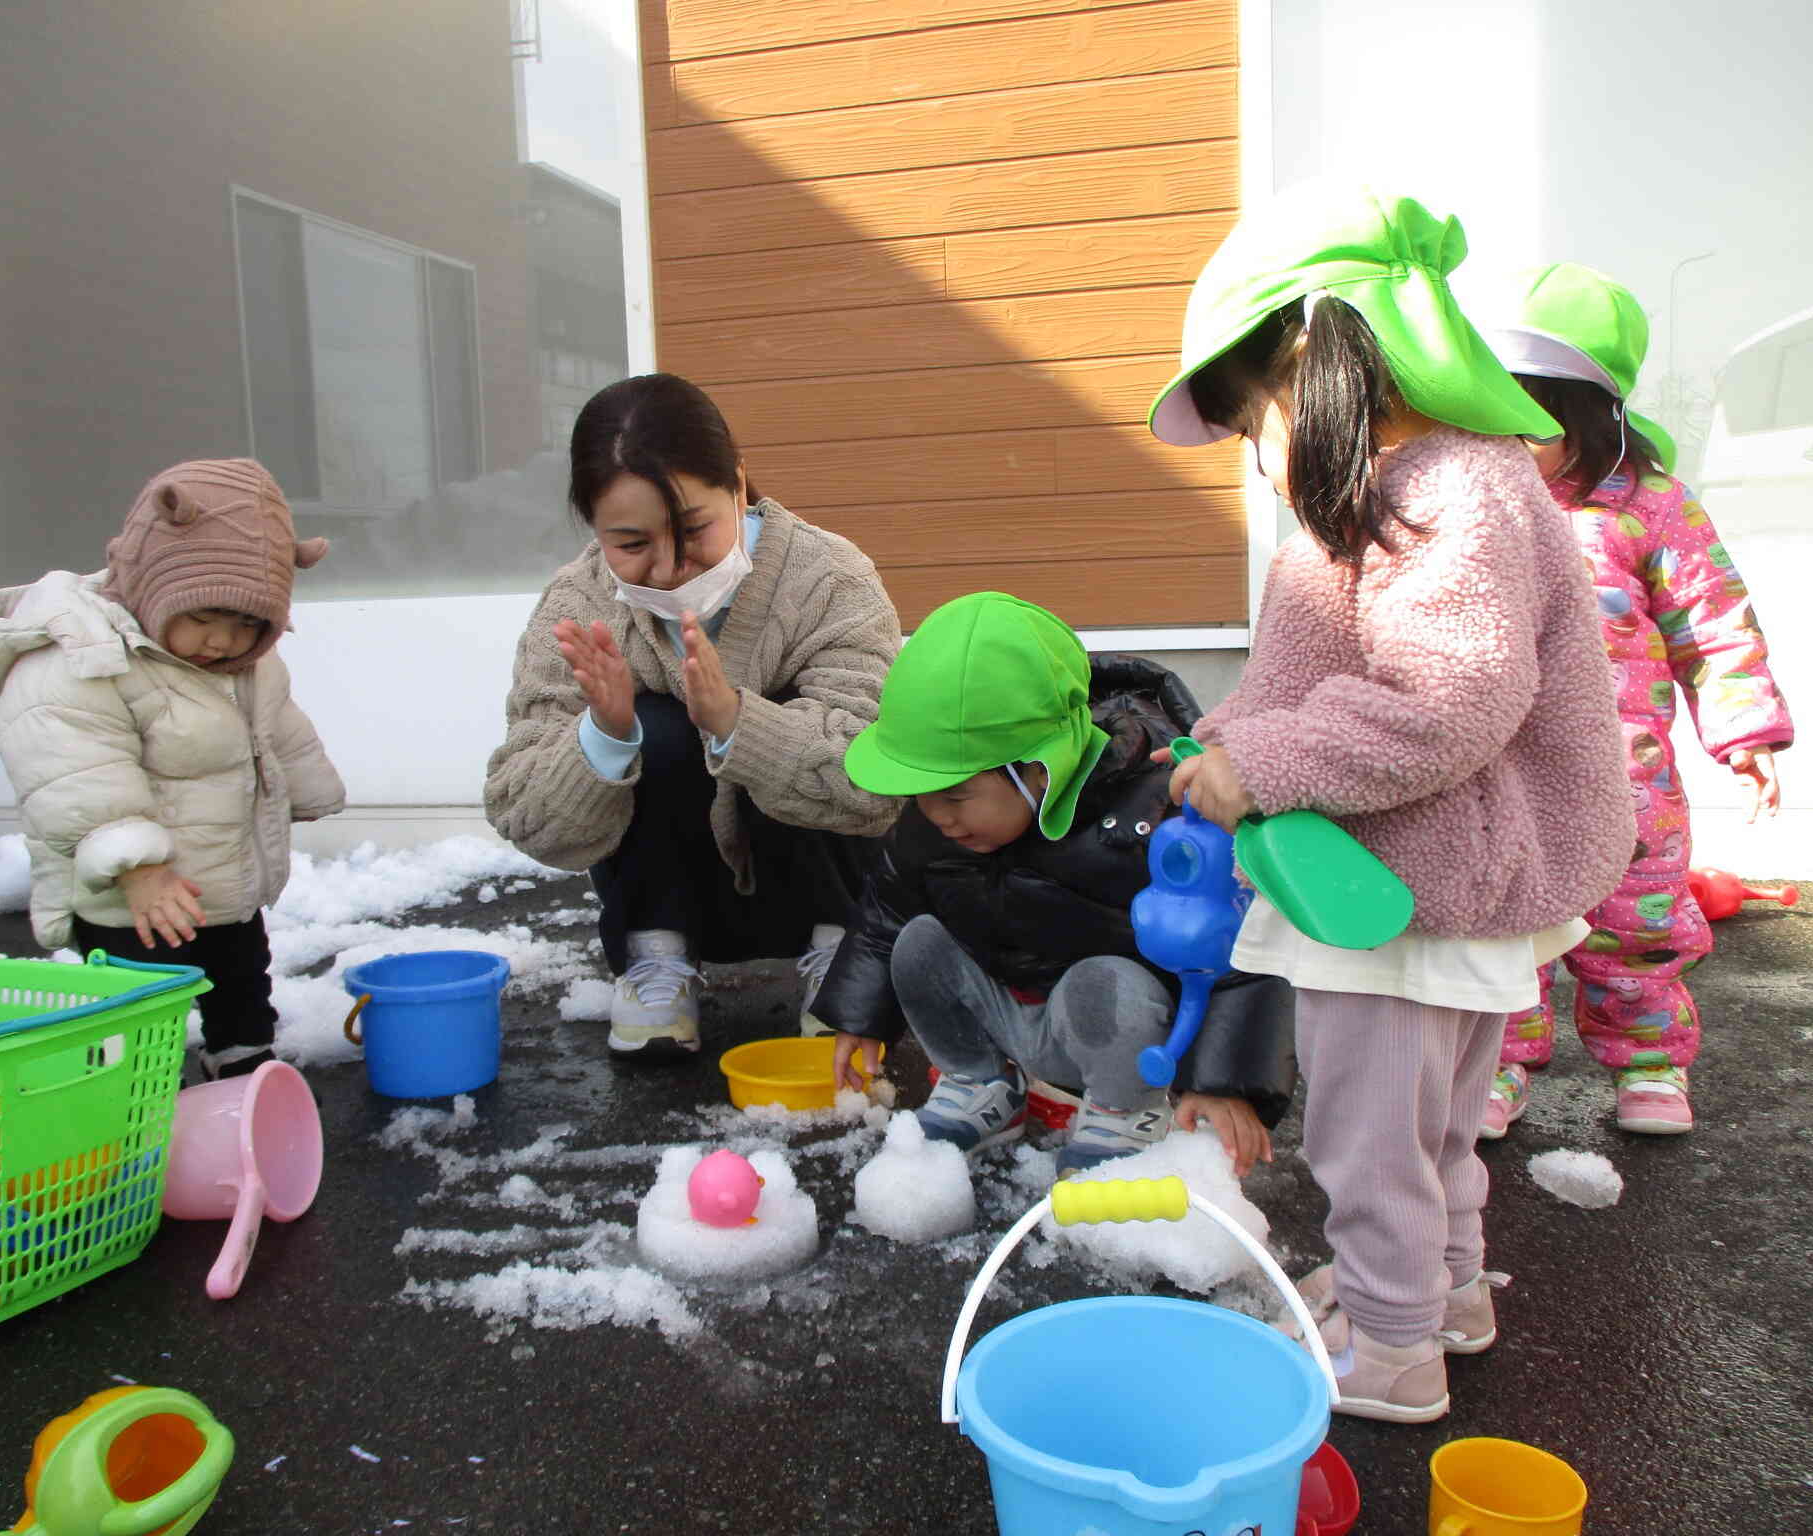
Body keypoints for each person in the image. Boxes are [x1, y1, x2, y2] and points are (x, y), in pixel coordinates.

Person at [1144, 186, 1630, 1421]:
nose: (1260, 456)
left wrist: (1263, 766)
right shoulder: (1430, 486)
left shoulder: (1437, 493)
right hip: (1428, 884)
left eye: (1256, 419)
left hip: (1405, 892)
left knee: (1368, 1140)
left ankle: (1394, 1347)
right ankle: (1440, 1293)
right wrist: (1228, 738)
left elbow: (1443, 697)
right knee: (1431, 1132)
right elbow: (1311, 673)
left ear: (1310, 362)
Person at [484, 374, 902, 1058]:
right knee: (658, 728)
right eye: (631, 543)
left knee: (802, 722)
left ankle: (844, 954)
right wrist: (604, 737)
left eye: (694, 529)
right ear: (594, 530)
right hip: (678, 885)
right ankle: (656, 956)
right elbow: (525, 816)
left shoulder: (830, 580)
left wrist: (740, 720)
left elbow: (881, 782)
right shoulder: (576, 607)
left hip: (818, 881)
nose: (672, 568)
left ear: (738, 487)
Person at [814, 591, 1295, 1176]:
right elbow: (884, 914)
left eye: (955, 794)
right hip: (1009, 1008)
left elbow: (1235, 950)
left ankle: (1125, 1113)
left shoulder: (1147, 820)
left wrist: (1225, 1082)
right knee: (917, 942)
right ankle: (980, 1082)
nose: (935, 814)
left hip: (1117, 1037)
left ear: (1037, 772)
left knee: (1103, 981)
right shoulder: (937, 827)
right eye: (920, 791)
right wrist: (858, 1016)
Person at [1474, 262, 1793, 1137]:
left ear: (1589, 416)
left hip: (1628, 779)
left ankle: (1649, 1062)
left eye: (1536, 421)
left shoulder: (1650, 508)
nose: (1512, 439)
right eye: (1496, 413)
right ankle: (1497, 1065)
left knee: (1637, 924)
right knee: (1510, 920)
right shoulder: (1480, 505)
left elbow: (1713, 618)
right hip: (1510, 769)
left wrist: (1745, 734)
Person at [0, 458, 345, 1080]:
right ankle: (131, 1101)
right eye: (202, 617)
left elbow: (275, 722)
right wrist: (137, 867)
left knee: (241, 982)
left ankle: (244, 1070)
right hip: (131, 897)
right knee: (136, 1007)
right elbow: (74, 773)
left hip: (223, 878)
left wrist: (309, 786)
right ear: (150, 581)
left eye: (247, 623)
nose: (223, 642)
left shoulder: (249, 662)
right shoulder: (76, 659)